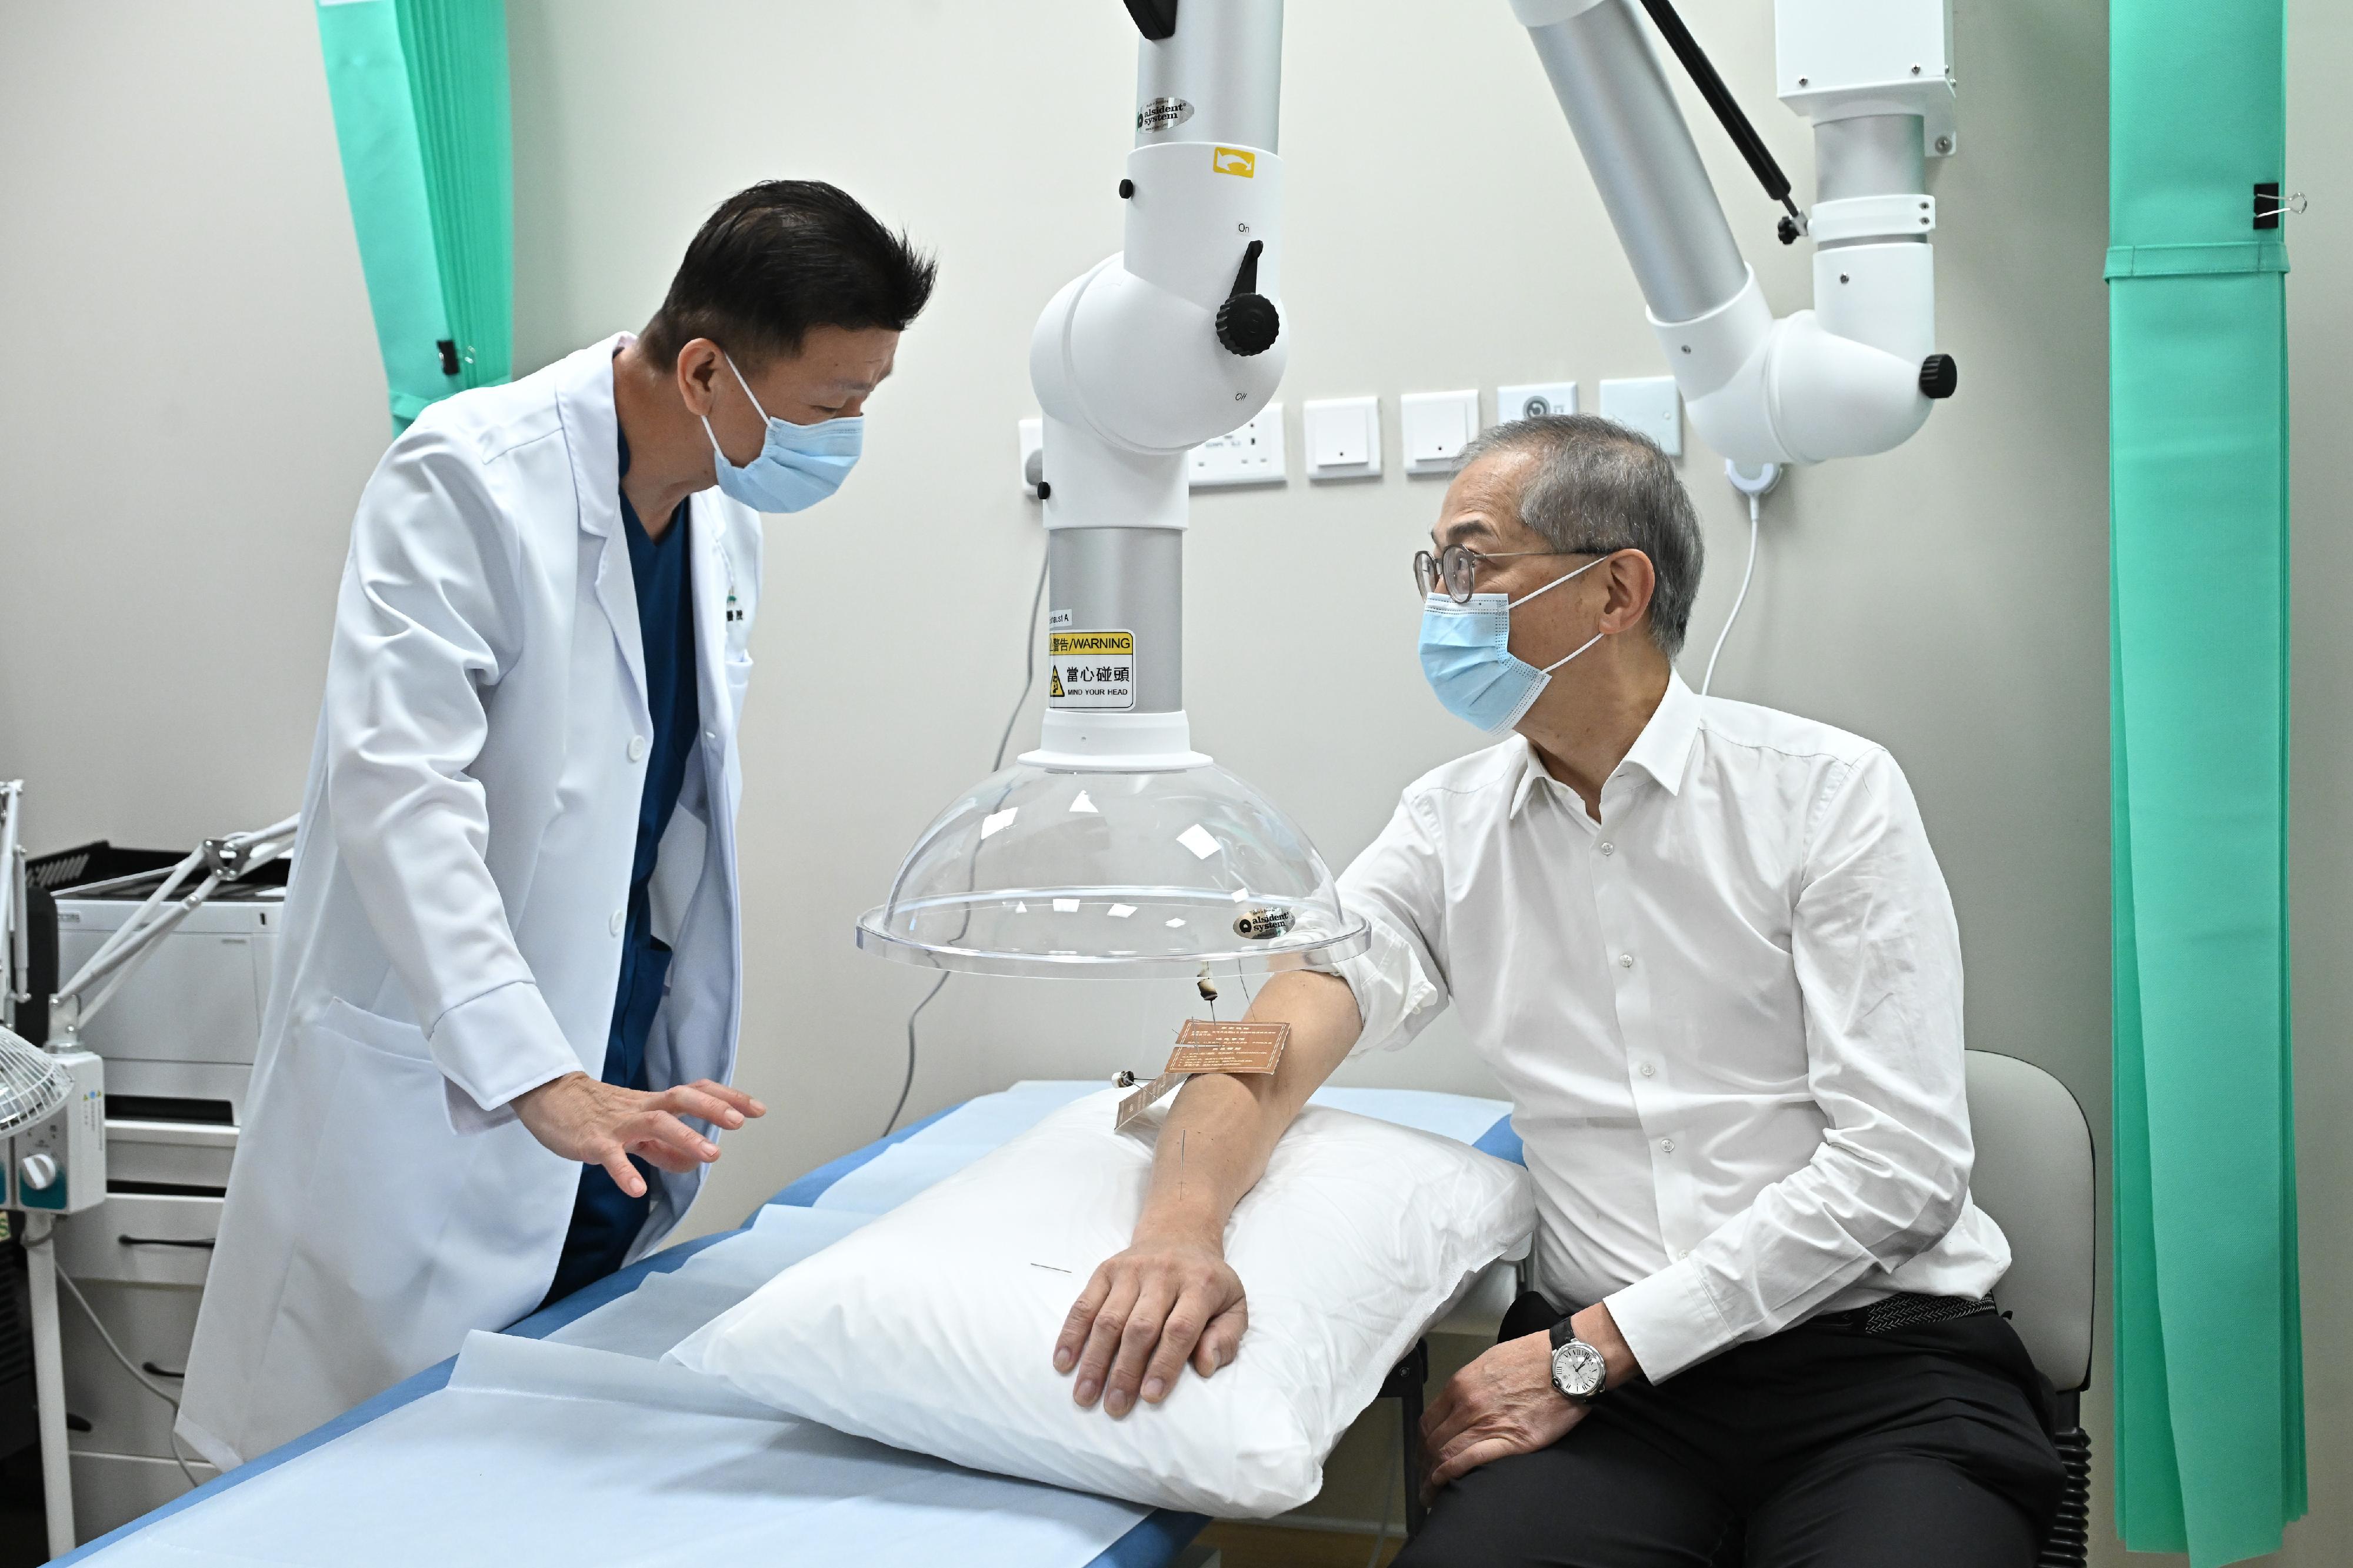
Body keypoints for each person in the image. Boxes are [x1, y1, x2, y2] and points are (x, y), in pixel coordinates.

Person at [1052, 415, 2065, 1565]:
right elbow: (1282, 1018)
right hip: (1612, 1419)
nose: (1440, 600)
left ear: (1615, 591)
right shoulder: (1447, 824)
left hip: (1871, 1378)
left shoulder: (1827, 797)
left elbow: (1901, 1171)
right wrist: (1180, 1229)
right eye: (1431, 567)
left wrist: (1594, 1347)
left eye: (1470, 564)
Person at [179, 181, 935, 1469]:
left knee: (536, 1458)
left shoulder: (719, 518)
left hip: (610, 1077)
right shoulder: (465, 479)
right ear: (704, 368)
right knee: (360, 1485)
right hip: (455, 1095)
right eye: (831, 406)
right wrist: (536, 1071)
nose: (846, 435)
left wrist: (627, 1034)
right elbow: (399, 793)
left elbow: (657, 804)